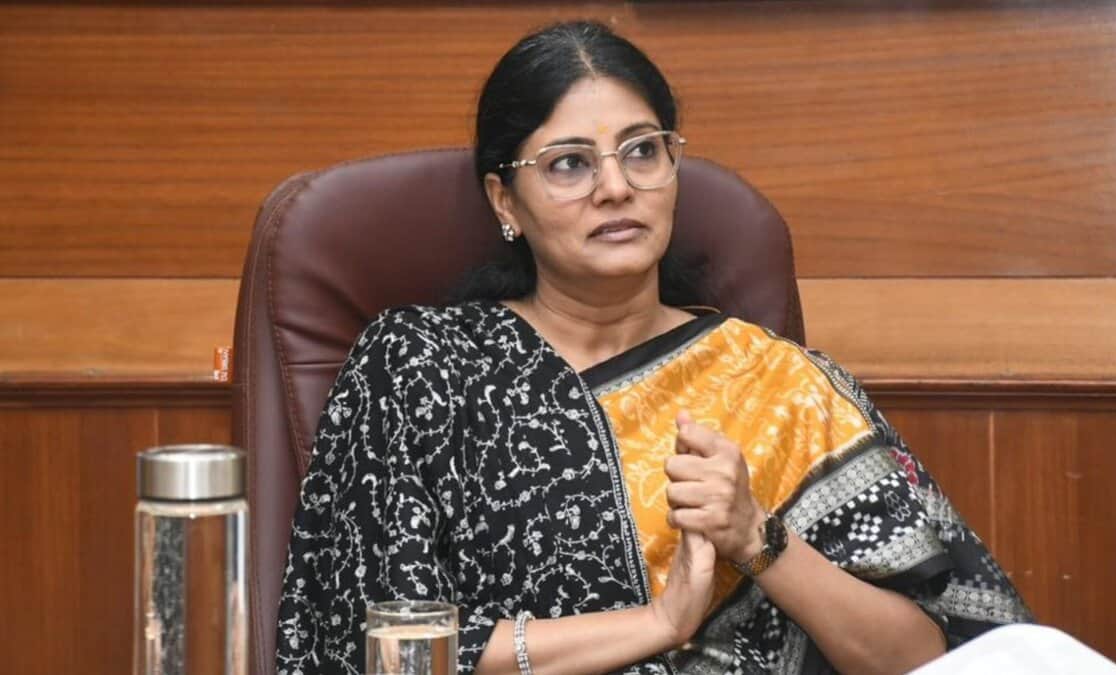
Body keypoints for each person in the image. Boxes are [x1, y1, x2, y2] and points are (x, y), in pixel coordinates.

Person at [276, 20, 1031, 675]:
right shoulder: (420, 365)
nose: (616, 186)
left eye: (642, 151)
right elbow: (389, 646)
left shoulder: (775, 383)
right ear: (505, 199)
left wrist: (760, 539)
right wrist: (660, 624)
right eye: (570, 163)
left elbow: (940, 657)